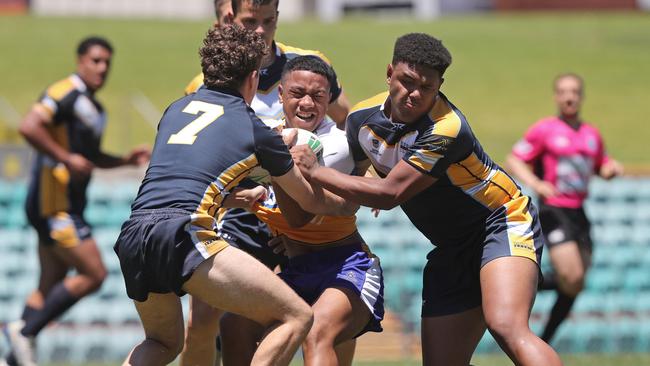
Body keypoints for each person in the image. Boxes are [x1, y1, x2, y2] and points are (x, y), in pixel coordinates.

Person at [291, 33, 564, 366]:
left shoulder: (447, 128)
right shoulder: (361, 120)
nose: (414, 94)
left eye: (427, 87)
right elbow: (357, 181)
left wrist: (316, 172)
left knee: (506, 325)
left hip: (502, 220)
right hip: (451, 246)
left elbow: (390, 195)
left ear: (440, 86)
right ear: (389, 73)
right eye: (407, 81)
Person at [113, 25, 357, 366]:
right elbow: (302, 206)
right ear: (254, 78)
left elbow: (181, 181)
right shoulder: (256, 129)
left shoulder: (175, 110)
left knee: (162, 342)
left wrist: (233, 199)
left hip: (134, 235)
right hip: (183, 234)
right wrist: (339, 191)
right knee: (297, 317)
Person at [181, 1, 353, 364]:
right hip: (246, 213)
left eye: (268, 21)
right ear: (230, 19)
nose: (260, 31)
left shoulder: (307, 64)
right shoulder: (210, 79)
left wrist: (355, 178)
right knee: (204, 321)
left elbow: (346, 123)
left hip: (301, 211)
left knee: (330, 318)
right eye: (250, 21)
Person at [217, 55, 383, 366]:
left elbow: (300, 211)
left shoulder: (335, 145)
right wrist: (241, 195)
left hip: (348, 266)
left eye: (318, 96)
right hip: (295, 268)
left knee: (316, 331)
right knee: (233, 323)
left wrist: (257, 184)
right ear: (280, 94)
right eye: (297, 93)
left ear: (329, 98)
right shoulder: (266, 135)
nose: (307, 103)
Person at [2, 36, 150, 366]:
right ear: (80, 60)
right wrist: (65, 157)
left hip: (66, 205)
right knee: (94, 273)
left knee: (48, 285)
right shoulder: (63, 92)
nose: (102, 68)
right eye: (96, 61)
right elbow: (29, 126)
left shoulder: (95, 109)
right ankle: (24, 332)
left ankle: (12, 358)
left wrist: (124, 161)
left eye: (107, 63)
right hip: (55, 204)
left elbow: (90, 157)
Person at [506, 73, 623, 343]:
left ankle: (544, 341)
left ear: (581, 97)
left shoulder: (591, 134)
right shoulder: (544, 129)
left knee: (575, 283)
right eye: (564, 92)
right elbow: (515, 159)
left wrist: (611, 169)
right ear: (556, 97)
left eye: (574, 92)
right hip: (553, 210)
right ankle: (510, 284)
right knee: (571, 275)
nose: (569, 97)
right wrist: (537, 183)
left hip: (579, 211)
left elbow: (600, 166)